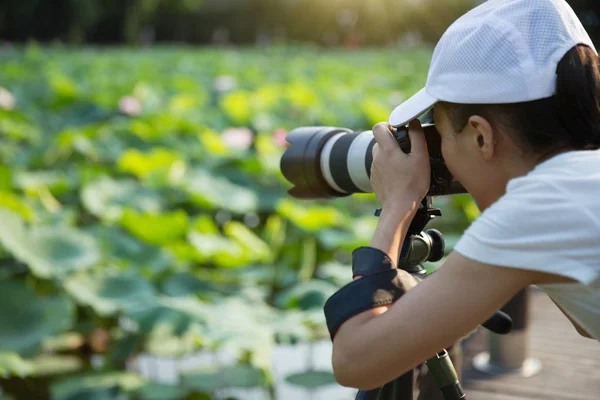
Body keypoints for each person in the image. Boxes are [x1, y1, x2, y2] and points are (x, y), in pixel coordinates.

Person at [329, 0, 600, 391]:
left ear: (480, 135)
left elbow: (356, 360)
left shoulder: (543, 204)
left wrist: (398, 206)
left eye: (439, 132)